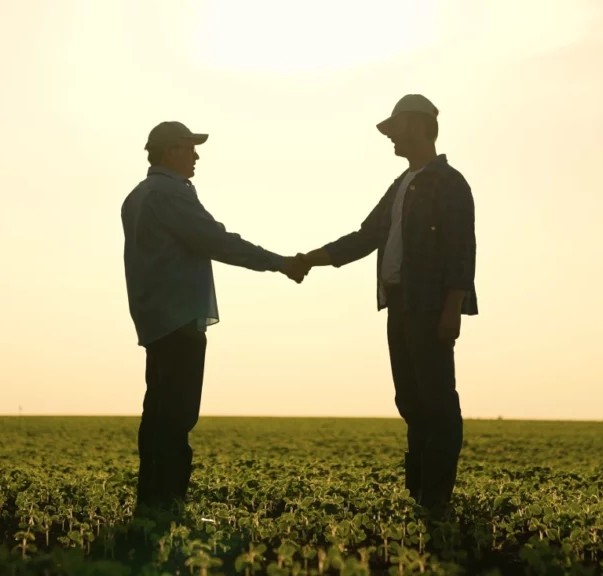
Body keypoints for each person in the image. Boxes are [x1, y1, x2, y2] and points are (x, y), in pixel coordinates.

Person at [296, 94, 478, 511]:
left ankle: (435, 499)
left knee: (437, 401)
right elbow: (366, 236)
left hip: (431, 306)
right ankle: (419, 493)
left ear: (415, 127)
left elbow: (462, 251)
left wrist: (453, 309)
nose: (390, 138)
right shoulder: (402, 184)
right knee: (411, 401)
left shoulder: (450, 183)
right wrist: (312, 259)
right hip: (399, 303)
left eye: (394, 129)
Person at [121, 121, 309, 514]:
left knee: (156, 412)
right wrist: (279, 263)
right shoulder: (169, 193)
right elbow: (218, 241)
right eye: (190, 148)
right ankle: (167, 505)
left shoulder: (138, 196)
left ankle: (149, 502)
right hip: (179, 318)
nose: (196, 156)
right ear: (171, 150)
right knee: (177, 415)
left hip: (154, 317)